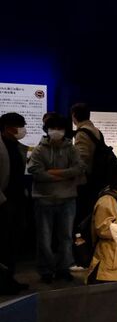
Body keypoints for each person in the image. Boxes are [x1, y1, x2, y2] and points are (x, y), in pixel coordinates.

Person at [27, 114, 86, 283]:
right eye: (53, 128)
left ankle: (63, 268)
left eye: (60, 128)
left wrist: (54, 172)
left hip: (67, 199)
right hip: (44, 199)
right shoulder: (40, 149)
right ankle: (46, 270)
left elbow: (79, 168)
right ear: (47, 130)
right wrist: (66, 175)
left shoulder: (71, 148)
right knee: (44, 238)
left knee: (66, 237)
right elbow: (36, 171)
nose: (56, 131)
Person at [0, 113, 30, 293]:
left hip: (18, 200)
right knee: (3, 243)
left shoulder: (17, 146)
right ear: (7, 128)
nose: (21, 129)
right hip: (4, 202)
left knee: (13, 242)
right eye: (18, 126)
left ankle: (9, 278)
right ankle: (3, 282)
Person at [71, 103, 105, 226]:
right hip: (97, 177)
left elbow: (82, 158)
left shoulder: (82, 132)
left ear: (74, 116)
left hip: (87, 180)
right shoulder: (95, 130)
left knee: (83, 213)